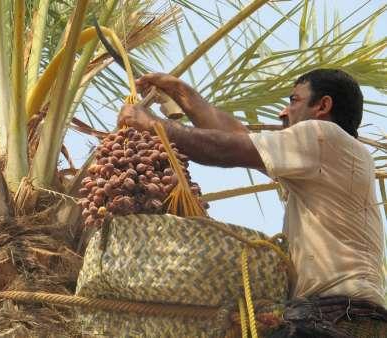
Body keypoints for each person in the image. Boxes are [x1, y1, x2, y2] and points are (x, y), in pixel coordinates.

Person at [118, 69, 386, 337]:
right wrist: (180, 92)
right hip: (343, 318)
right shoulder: (330, 161)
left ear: (323, 106)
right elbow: (237, 136)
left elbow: (225, 148)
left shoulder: (323, 136)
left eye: (294, 100)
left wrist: (153, 125)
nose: (283, 112)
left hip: (338, 317)